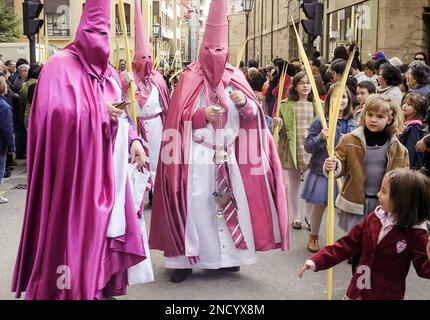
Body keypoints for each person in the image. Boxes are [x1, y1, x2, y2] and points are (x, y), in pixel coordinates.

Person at [12, 0, 148, 300]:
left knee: (104, 236)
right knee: (73, 239)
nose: (99, 42)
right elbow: (51, 118)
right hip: (72, 180)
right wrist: (99, 114)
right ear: (81, 29)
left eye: (105, 34)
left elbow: (123, 117)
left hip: (108, 176)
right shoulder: (58, 67)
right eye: (92, 32)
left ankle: (99, 286)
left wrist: (134, 140)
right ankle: (69, 289)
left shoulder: (110, 74)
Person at [149, 0, 289, 283]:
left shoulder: (236, 76)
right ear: (202, 48)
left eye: (220, 49)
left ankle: (226, 259)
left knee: (227, 204)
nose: (215, 54)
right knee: (195, 205)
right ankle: (183, 260)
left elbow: (253, 118)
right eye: (210, 49)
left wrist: (245, 104)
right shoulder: (189, 76)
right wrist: (202, 115)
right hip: (197, 156)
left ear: (227, 50)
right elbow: (177, 118)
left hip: (228, 156)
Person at [299, 168, 430, 300]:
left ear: (403, 200)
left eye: (384, 191)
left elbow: (424, 268)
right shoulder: (374, 218)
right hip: (357, 290)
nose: (378, 194)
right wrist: (317, 260)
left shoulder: (416, 233)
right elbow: (346, 244)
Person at [323, 94, 409, 271]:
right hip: (357, 203)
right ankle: (357, 288)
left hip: (383, 205)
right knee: (360, 248)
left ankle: (371, 287)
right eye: (370, 115)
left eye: (380, 116)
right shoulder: (349, 140)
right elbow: (339, 163)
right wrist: (332, 165)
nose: (373, 120)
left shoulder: (398, 148)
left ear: (390, 118)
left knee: (376, 249)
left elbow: (404, 177)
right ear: (364, 115)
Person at [121, 0, 170, 207]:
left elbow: (166, 105)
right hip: (135, 126)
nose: (147, 60)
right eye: (143, 57)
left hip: (156, 126)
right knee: (136, 160)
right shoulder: (125, 77)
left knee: (157, 161)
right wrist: (124, 84)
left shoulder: (158, 79)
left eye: (149, 56)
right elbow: (119, 101)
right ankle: (136, 195)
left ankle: (156, 194)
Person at [302, 84, 358, 252]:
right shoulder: (320, 120)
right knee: (320, 205)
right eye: (336, 96)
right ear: (328, 99)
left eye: (344, 97)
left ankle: (349, 242)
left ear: (348, 100)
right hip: (322, 170)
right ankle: (314, 234)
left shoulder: (353, 123)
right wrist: (321, 137)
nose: (340, 100)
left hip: (346, 173)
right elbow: (308, 146)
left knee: (346, 207)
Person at [275, 71, 315, 230]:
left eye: (308, 83)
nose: (305, 86)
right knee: (294, 184)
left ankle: (310, 216)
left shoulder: (317, 104)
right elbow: (282, 127)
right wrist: (278, 123)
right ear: (295, 86)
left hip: (312, 148)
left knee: (310, 185)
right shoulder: (286, 104)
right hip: (293, 148)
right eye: (302, 83)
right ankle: (296, 216)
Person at [399, 93, 426, 169]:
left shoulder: (415, 127)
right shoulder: (406, 123)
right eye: (404, 103)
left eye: (409, 104)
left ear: (417, 109)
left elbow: (412, 151)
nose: (404, 106)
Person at [0, 74, 15, 204]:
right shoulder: (4, 107)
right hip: (0, 145)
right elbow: (7, 129)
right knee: (0, 169)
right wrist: (12, 147)